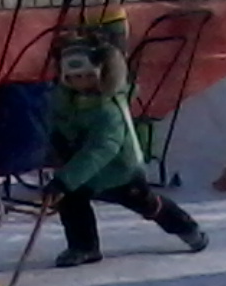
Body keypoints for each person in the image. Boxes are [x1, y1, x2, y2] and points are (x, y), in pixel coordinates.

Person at [43, 31, 207, 266]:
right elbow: (58, 124)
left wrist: (65, 179)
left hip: (119, 172)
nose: (80, 82)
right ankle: (84, 246)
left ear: (102, 74)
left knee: (147, 204)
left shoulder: (108, 110)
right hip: (81, 170)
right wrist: (58, 144)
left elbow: (101, 149)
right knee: (71, 201)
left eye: (87, 76)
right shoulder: (65, 101)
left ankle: (186, 227)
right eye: (74, 77)